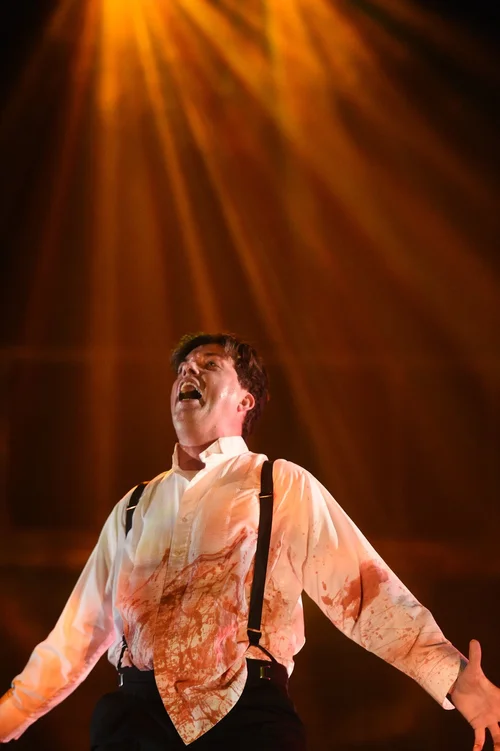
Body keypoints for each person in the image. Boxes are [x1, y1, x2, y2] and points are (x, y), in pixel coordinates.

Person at [0, 332, 499, 750]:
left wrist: (452, 675)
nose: (188, 372)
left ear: (245, 400)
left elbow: (364, 593)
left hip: (246, 719)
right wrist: (8, 717)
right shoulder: (134, 508)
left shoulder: (278, 486)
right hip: (133, 724)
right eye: (182, 368)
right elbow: (74, 638)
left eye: (208, 365)